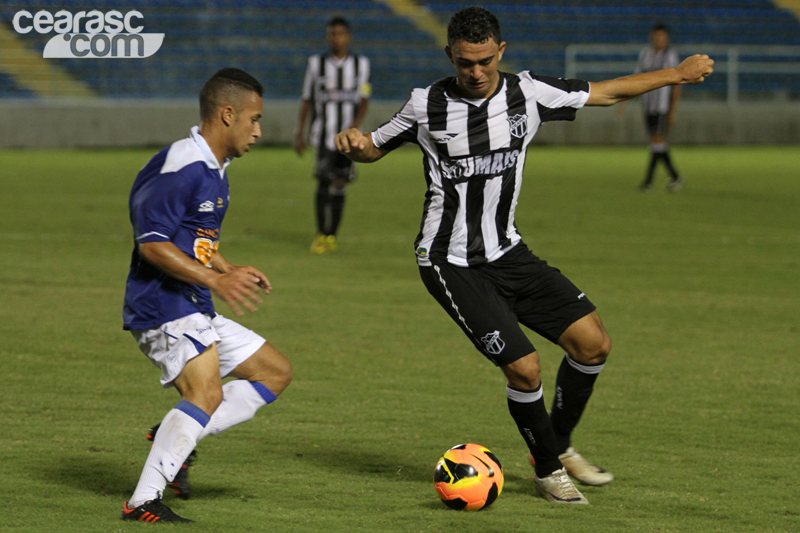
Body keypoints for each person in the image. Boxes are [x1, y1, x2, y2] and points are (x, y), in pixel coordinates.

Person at [335, 7, 712, 505]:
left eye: (485, 61)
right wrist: (354, 143)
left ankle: (556, 443)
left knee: (593, 343)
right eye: (466, 62)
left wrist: (678, 74)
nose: (475, 72)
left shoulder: (528, 93)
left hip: (508, 251)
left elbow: (608, 91)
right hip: (449, 260)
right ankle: (548, 470)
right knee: (526, 368)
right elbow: (373, 148)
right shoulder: (425, 105)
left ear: (501, 52)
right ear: (450, 54)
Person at [120, 68, 293, 522]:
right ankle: (143, 502)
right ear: (228, 114)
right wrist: (215, 280)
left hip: (192, 301)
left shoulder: (216, 170)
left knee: (273, 373)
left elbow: (194, 238)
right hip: (162, 305)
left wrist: (225, 267)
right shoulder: (184, 166)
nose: (258, 130)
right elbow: (153, 243)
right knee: (206, 392)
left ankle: (176, 435)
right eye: (254, 119)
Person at [294, 15, 371, 254]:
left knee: (340, 183)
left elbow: (364, 100)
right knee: (323, 181)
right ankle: (320, 233)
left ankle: (332, 235)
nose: (336, 38)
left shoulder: (361, 64)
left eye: (341, 34)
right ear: (328, 36)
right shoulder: (316, 63)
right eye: (332, 34)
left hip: (348, 140)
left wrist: (355, 128)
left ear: (348, 36)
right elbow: (307, 99)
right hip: (322, 135)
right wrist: (300, 132)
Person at [636, 23, 684, 191]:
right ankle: (674, 177)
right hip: (648, 105)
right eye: (657, 36)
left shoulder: (670, 55)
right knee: (656, 143)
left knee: (657, 140)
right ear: (652, 37)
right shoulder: (645, 54)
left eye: (663, 36)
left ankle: (650, 181)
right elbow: (635, 79)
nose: (660, 39)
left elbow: (677, 84)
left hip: (662, 106)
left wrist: (673, 110)